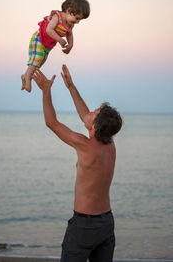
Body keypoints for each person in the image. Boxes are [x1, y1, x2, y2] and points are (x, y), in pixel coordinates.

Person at [33, 65, 122, 262]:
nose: (90, 112)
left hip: (84, 226)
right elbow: (85, 117)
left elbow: (52, 123)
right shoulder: (109, 144)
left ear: (94, 127)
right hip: (106, 223)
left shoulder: (86, 146)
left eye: (94, 112)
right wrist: (71, 87)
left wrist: (46, 91)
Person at [21, 0, 90, 92]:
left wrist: (70, 45)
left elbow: (70, 34)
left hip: (47, 45)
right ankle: (27, 78)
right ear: (68, 10)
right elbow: (49, 30)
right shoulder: (57, 17)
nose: (77, 22)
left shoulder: (70, 24)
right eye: (77, 18)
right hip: (39, 39)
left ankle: (25, 75)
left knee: (40, 62)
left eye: (80, 20)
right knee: (37, 59)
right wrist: (59, 40)